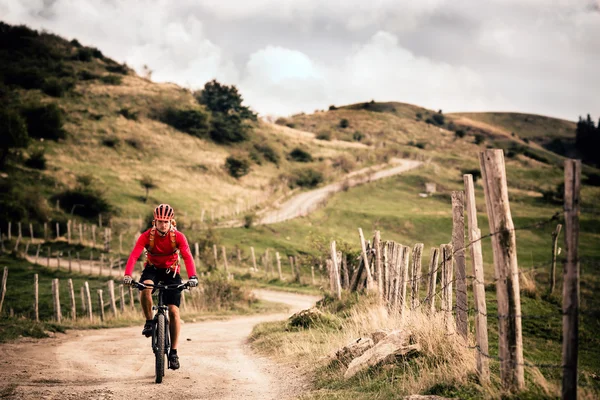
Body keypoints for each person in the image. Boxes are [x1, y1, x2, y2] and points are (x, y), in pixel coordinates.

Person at [123, 203, 198, 370]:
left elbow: (187, 256)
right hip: (153, 269)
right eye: (159, 221)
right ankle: (149, 321)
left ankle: (174, 352)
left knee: (173, 311)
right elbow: (134, 255)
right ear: (154, 222)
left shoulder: (178, 237)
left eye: (166, 221)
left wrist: (193, 276)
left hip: (171, 272)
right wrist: (128, 275)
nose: (163, 224)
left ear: (171, 221)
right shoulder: (146, 236)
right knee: (145, 287)